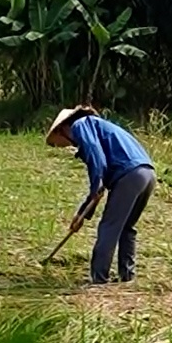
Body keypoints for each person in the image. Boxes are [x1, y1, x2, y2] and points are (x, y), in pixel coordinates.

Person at [47, 105, 157, 285]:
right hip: (147, 174)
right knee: (126, 227)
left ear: (62, 129)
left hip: (129, 175)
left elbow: (96, 157)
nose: (58, 146)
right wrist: (84, 213)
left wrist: (96, 186)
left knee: (109, 226)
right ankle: (127, 276)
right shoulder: (98, 126)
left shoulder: (80, 125)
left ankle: (99, 279)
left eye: (55, 142)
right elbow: (102, 171)